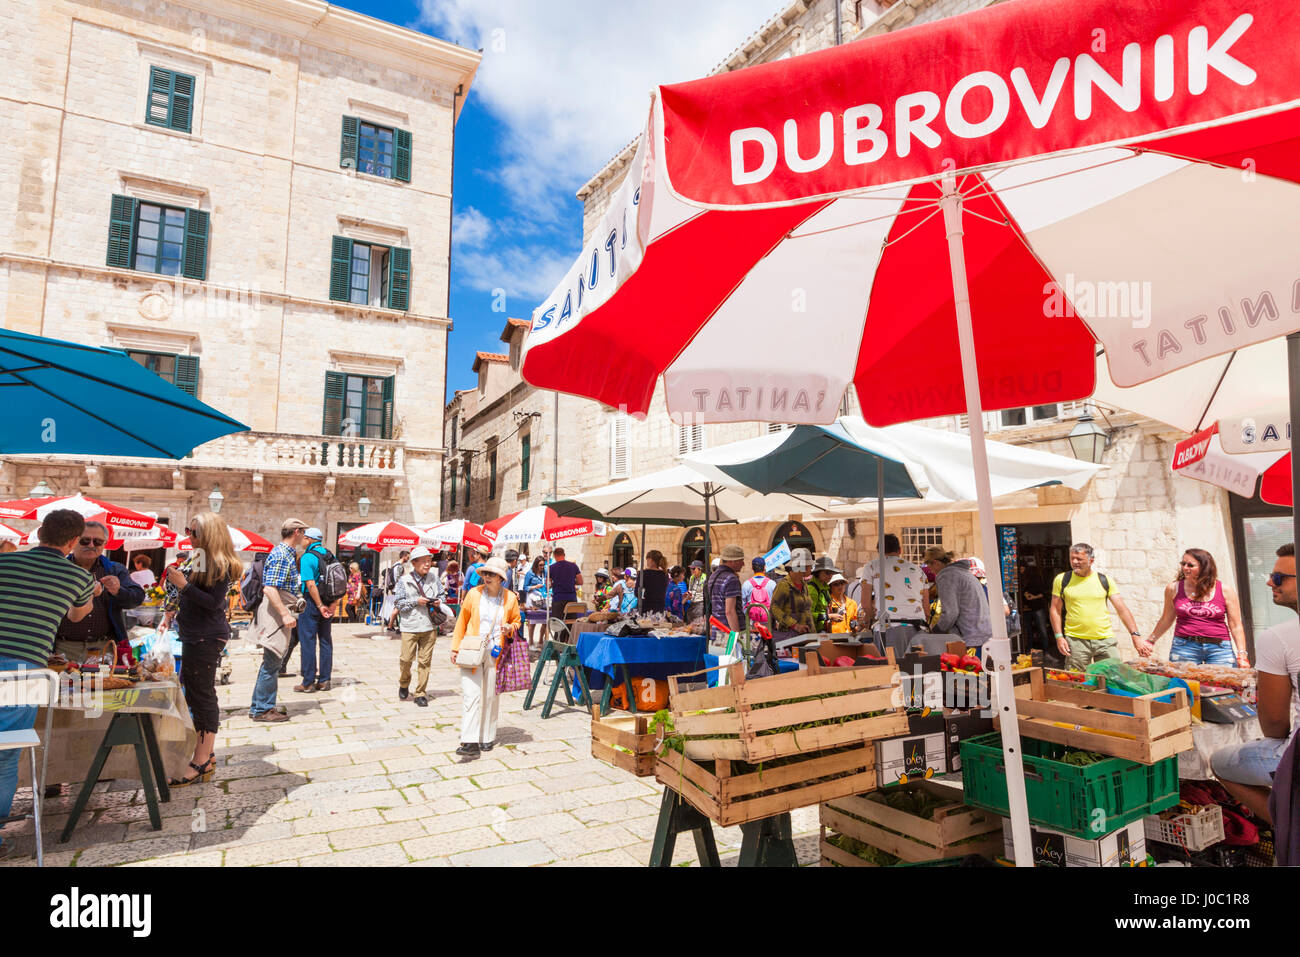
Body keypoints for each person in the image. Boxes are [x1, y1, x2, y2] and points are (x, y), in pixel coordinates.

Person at [0, 511, 97, 860]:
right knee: (5, 754)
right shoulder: (78, 576)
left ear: (39, 532)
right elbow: (75, 616)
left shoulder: (4, 563)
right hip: (23, 673)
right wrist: (93, 594)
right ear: (72, 542)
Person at [1211, 543, 1299, 822]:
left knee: (1219, 762)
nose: (1269, 581)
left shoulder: (1279, 638)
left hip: (1295, 757)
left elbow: (1274, 724)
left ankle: (1287, 827)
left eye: (1279, 578)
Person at [166, 512, 241, 787]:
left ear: (209, 535)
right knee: (194, 691)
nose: (189, 536)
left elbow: (213, 603)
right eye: (189, 530)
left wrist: (183, 585)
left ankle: (199, 760)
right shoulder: (198, 558)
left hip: (205, 637)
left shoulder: (220, 563)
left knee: (202, 694)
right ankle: (205, 755)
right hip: (192, 634)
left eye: (195, 532)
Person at [450, 557, 521, 756]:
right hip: (471, 650)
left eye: (493, 574)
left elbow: (516, 620)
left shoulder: (510, 598)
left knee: (490, 696)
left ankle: (487, 737)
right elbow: (461, 621)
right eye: (486, 573)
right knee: (471, 695)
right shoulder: (473, 594)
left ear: (501, 578)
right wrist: (455, 648)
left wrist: (510, 628)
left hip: (495, 652)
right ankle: (469, 740)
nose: (487, 577)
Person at [54, 521, 144, 666]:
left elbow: (137, 598)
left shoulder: (114, 569)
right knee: (65, 688)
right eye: (85, 541)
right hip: (65, 648)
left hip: (105, 648)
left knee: (104, 687)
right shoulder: (59, 569)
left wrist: (118, 591)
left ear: (104, 544)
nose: (91, 545)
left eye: (97, 541)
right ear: (73, 541)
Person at [248, 518, 308, 722]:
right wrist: (284, 613)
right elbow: (270, 588)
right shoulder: (282, 554)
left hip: (278, 612)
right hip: (275, 615)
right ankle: (263, 709)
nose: (305, 537)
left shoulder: (285, 554)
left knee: (271, 661)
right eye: (304, 533)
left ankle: (258, 706)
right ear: (297, 532)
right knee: (273, 661)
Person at [1049, 543, 1145, 670]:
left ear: (1091, 561)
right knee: (1078, 681)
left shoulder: (1104, 580)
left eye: (1079, 559)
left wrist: (1135, 635)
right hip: (1076, 641)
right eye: (1072, 558)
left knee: (1114, 676)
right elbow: (1055, 609)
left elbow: (1122, 609)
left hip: (1105, 640)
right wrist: (1059, 636)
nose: (1075, 562)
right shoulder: (1062, 580)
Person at [1148, 549, 1249, 667]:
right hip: (1184, 646)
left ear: (1204, 568)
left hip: (1219, 648)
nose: (1185, 568)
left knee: (1223, 684)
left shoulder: (1225, 590)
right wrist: (1150, 640)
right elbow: (1166, 619)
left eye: (1190, 565)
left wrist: (1242, 654)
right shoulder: (1173, 588)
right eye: (1183, 564)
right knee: (1185, 684)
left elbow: (1235, 625)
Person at [395, 546, 443, 707]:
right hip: (410, 626)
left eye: (429, 561)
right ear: (414, 563)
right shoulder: (404, 580)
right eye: (423, 561)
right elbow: (399, 604)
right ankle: (404, 682)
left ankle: (420, 693)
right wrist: (416, 601)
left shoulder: (434, 578)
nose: (427, 564)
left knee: (425, 661)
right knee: (406, 659)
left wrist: (438, 601)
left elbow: (442, 595)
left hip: (429, 626)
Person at [296, 527, 338, 693]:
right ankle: (325, 680)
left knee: (308, 641)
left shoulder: (308, 557)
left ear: (309, 539)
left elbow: (310, 583)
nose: (301, 541)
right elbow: (338, 581)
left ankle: (307, 682)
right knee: (326, 640)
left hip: (313, 603)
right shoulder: (330, 555)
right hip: (329, 601)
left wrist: (319, 605)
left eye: (303, 538)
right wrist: (332, 604)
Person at [923, 547, 993, 648]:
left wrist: (935, 632)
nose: (929, 570)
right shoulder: (962, 572)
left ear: (936, 563)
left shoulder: (946, 576)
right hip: (982, 634)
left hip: (970, 638)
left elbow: (950, 613)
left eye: (928, 565)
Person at [863, 534, 928, 630]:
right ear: (900, 550)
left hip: (887, 626)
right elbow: (926, 609)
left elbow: (865, 604)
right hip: (918, 626)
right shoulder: (918, 570)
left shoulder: (872, 566)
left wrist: (873, 618)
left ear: (879, 551)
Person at [706, 544, 745, 643]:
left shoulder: (713, 576)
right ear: (733, 561)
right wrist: (737, 638)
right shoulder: (731, 579)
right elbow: (730, 612)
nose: (743, 564)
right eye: (741, 560)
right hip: (728, 633)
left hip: (717, 630)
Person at [1019, 561, 1051, 653]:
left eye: (1022, 569)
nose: (1021, 571)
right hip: (1027, 608)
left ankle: (1046, 650)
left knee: (1042, 629)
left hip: (1037, 607)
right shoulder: (1022, 579)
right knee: (1028, 630)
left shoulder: (1036, 579)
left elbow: (1043, 593)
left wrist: (1033, 597)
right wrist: (1025, 593)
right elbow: (1022, 591)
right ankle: (1030, 649)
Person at [547, 546, 582, 619]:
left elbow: (548, 585)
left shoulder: (551, 568)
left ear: (554, 556)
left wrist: (555, 583)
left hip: (558, 599)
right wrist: (570, 582)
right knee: (571, 622)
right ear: (564, 554)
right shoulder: (573, 566)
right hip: (571, 599)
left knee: (558, 623)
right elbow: (580, 581)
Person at [521, 556, 549, 645]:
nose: (542, 567)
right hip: (532, 599)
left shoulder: (545, 572)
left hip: (543, 598)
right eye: (540, 565)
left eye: (543, 565)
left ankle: (541, 640)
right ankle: (531, 641)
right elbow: (525, 587)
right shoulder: (530, 573)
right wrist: (535, 587)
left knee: (545, 620)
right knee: (532, 621)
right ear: (536, 565)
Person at [742, 557, 776, 630]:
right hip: (768, 621)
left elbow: (743, 604)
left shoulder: (746, 584)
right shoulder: (772, 584)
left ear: (752, 568)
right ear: (764, 567)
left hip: (752, 622)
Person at [807, 557, 839, 632]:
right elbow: (808, 615)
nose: (830, 576)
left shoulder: (824, 588)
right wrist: (828, 616)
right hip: (813, 632)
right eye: (827, 573)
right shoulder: (812, 589)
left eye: (831, 573)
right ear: (818, 572)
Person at [382, 550, 410, 631]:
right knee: (398, 608)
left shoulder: (394, 565)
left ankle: (391, 626)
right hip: (399, 590)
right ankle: (392, 626)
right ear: (404, 556)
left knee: (397, 608)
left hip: (394, 589)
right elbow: (399, 579)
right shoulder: (400, 566)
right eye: (408, 557)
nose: (408, 559)